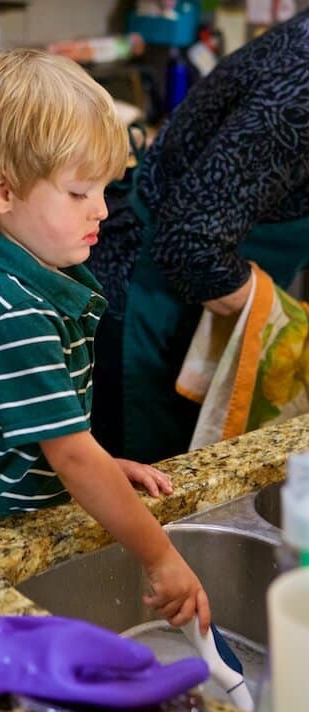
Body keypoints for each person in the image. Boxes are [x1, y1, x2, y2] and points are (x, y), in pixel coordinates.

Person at [0, 48, 210, 632]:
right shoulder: (15, 309)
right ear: (3, 191)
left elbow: (43, 436)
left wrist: (103, 464)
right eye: (77, 193)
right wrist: (160, 556)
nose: (101, 210)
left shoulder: (35, 273)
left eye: (104, 189)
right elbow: (68, 454)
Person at [88, 9, 309, 464]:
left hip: (190, 307)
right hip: (148, 305)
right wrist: (290, 329)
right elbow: (189, 246)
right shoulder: (300, 87)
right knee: (144, 505)